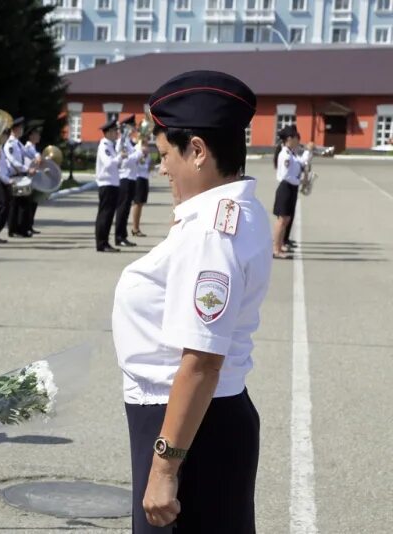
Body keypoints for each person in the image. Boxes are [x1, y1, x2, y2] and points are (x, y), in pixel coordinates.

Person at [112, 70, 272, 533]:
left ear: (197, 150)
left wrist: (164, 468)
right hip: (202, 420)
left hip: (187, 427)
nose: (162, 168)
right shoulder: (232, 211)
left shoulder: (209, 232)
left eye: (166, 155)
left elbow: (201, 361)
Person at [95, 117, 125, 252]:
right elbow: (108, 163)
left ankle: (104, 241)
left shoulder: (110, 146)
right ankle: (102, 243)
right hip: (106, 183)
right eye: (114, 131)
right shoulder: (104, 146)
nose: (116, 133)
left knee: (109, 214)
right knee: (105, 214)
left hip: (112, 183)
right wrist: (119, 157)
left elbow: (115, 164)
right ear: (107, 132)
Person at [272, 125, 302, 259]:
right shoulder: (285, 155)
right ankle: (276, 249)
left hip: (289, 187)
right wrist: (299, 182)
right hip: (285, 188)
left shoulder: (290, 153)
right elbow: (285, 176)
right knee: (282, 220)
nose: (298, 140)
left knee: (286, 219)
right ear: (289, 138)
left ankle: (280, 245)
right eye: (296, 137)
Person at [4, 117, 33, 238]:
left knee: (23, 203)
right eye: (20, 128)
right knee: (15, 205)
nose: (22, 130)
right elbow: (13, 161)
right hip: (14, 175)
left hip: (20, 175)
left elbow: (27, 152)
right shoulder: (10, 144)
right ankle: (13, 229)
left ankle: (22, 228)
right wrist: (27, 169)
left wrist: (36, 157)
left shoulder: (18, 143)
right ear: (14, 129)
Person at [114, 115, 138, 247]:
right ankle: (119, 237)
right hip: (124, 177)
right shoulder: (121, 142)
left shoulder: (128, 142)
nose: (133, 129)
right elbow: (123, 160)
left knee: (126, 209)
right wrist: (137, 154)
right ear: (126, 128)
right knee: (122, 209)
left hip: (131, 177)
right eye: (131, 126)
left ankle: (123, 235)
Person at [22, 124, 43, 235]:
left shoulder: (33, 147)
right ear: (30, 136)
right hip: (29, 178)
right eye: (36, 134)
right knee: (29, 204)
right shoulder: (28, 147)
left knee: (33, 203)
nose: (38, 136)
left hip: (35, 178)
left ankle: (30, 225)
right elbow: (32, 161)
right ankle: (27, 226)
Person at [131, 138, 153, 238]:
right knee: (137, 203)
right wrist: (141, 154)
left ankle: (137, 227)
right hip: (138, 177)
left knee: (141, 204)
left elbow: (148, 166)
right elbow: (132, 162)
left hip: (144, 177)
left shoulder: (146, 148)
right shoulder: (136, 148)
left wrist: (150, 160)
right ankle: (135, 228)